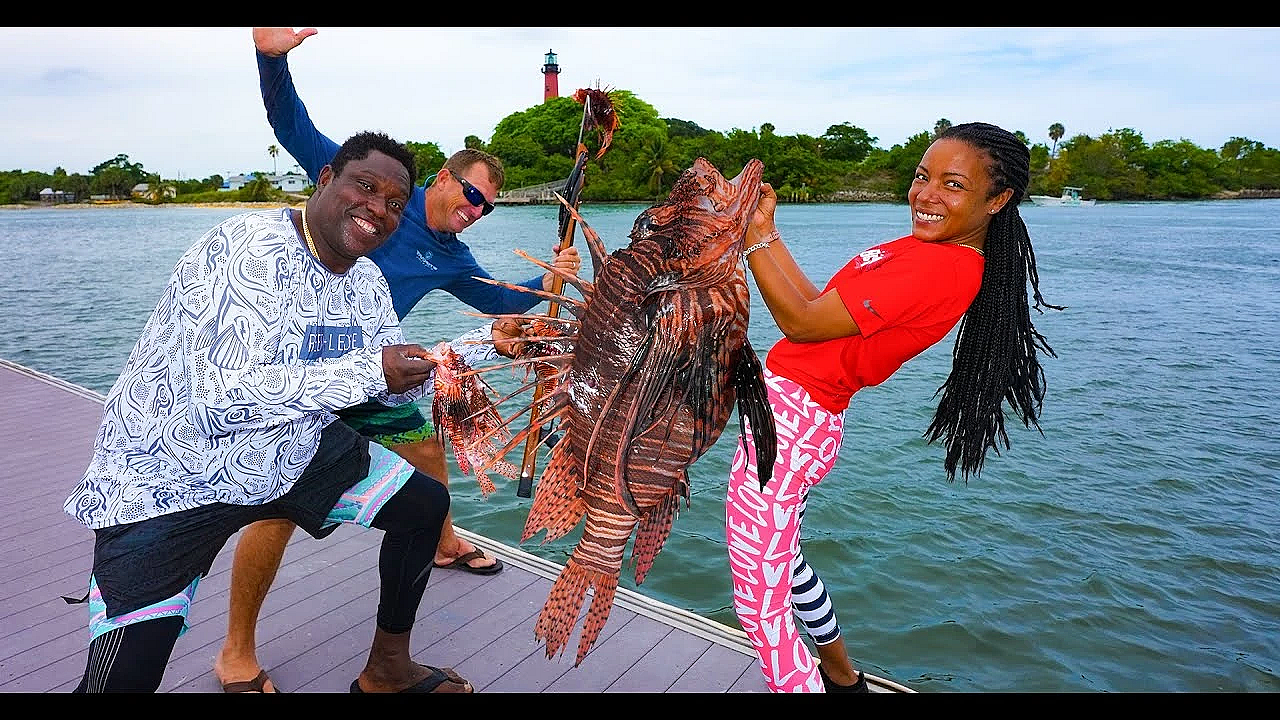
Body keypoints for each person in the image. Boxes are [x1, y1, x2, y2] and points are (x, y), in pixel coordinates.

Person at [64, 131, 524, 693]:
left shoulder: (365, 282)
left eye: (393, 203)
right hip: (168, 475)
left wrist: (483, 345)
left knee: (424, 506)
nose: (377, 209)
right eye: (365, 186)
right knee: (122, 681)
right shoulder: (248, 249)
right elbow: (224, 398)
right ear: (326, 180)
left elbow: (389, 387)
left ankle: (387, 671)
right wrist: (372, 371)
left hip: (290, 452)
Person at [212, 27, 583, 692]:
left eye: (487, 209)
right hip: (303, 379)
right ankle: (235, 651)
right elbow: (291, 124)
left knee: (427, 458)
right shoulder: (373, 186)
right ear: (441, 178)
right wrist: (270, 60)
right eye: (470, 196)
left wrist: (550, 280)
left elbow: (499, 299)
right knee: (278, 511)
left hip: (375, 380)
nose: (475, 213)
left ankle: (440, 543)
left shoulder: (451, 256)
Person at [725, 122, 1063, 693]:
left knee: (759, 602)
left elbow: (801, 324)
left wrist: (750, 244)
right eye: (921, 176)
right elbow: (814, 304)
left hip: (792, 424)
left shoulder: (942, 267)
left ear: (997, 200)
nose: (927, 194)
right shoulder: (925, 249)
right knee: (784, 562)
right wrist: (765, 230)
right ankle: (842, 676)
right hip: (795, 414)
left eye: (953, 184)